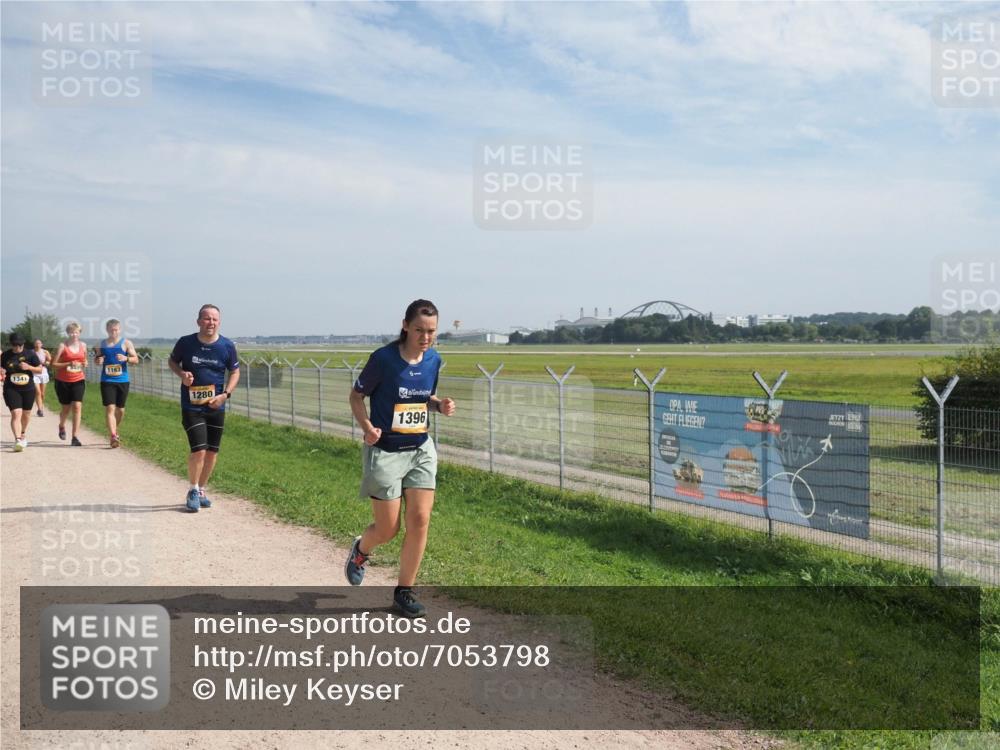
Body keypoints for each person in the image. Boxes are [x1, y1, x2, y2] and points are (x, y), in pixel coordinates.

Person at [345, 299, 456, 618]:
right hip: (387, 452)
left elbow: (423, 400)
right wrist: (366, 427)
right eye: (420, 330)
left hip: (421, 449)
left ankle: (403, 592)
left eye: (432, 331)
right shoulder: (383, 359)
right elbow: (356, 396)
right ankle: (361, 550)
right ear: (405, 325)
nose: (425, 337)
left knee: (420, 520)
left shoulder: (434, 360)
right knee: (388, 529)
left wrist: (439, 406)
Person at [168, 304, 240, 513]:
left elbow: (235, 372)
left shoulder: (226, 346)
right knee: (199, 450)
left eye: (215, 319)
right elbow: (172, 362)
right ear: (199, 321)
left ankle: (201, 490)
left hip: (216, 406)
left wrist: (225, 395)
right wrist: (182, 374)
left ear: (219, 322)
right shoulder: (186, 343)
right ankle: (192, 489)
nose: (211, 323)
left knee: (211, 452)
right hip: (191, 406)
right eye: (207, 319)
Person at [95, 319, 138, 448]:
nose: (114, 332)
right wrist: (99, 360)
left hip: (123, 380)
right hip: (107, 380)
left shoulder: (126, 343)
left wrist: (126, 358)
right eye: (111, 330)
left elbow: (136, 359)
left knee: (120, 410)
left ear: (120, 330)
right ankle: (113, 435)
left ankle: (114, 429)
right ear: (107, 330)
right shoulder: (101, 344)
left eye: (116, 329)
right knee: (110, 408)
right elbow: (96, 361)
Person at [1, 333, 43, 451]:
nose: (17, 348)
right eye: (14, 345)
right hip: (11, 388)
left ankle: (23, 433)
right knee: (16, 413)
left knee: (26, 414)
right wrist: (2, 370)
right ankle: (18, 439)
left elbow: (40, 369)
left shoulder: (30, 354)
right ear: (11, 344)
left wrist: (29, 367)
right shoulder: (5, 355)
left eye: (19, 345)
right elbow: (1, 367)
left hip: (28, 388)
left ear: (23, 344)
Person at [51, 322, 88, 446]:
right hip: (63, 381)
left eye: (76, 332)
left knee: (77, 406)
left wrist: (85, 363)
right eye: (71, 332)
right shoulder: (62, 346)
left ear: (79, 333)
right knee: (66, 409)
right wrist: (68, 364)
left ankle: (75, 437)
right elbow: (53, 365)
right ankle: (61, 425)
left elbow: (84, 360)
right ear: (68, 333)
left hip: (78, 379)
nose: (74, 334)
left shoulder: (83, 345)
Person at [32, 339, 51, 417]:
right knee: (38, 392)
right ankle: (40, 410)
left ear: (41, 344)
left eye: (39, 343)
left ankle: (41, 407)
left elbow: (49, 360)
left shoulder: (45, 352)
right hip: (34, 373)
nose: (37, 344)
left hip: (43, 373)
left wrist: (47, 362)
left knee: (42, 394)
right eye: (36, 343)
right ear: (34, 344)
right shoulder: (31, 352)